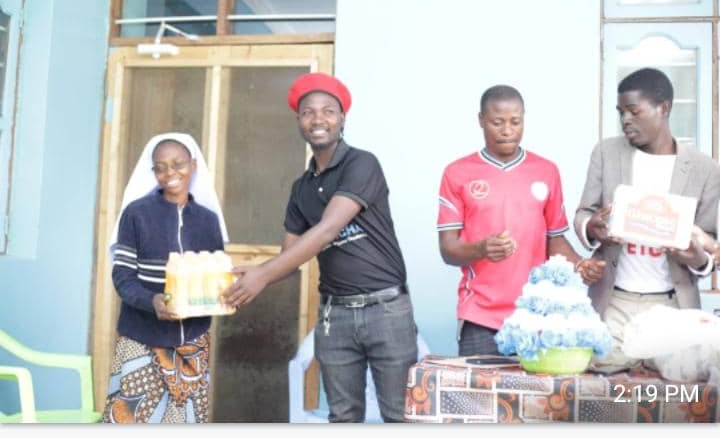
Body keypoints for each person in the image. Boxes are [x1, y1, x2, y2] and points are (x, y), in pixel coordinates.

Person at [223, 72, 418, 423]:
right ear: (299, 121)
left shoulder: (362, 163)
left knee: (400, 417)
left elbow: (328, 230)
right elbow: (291, 255)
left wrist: (263, 275)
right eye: (308, 112)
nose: (318, 119)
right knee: (342, 418)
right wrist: (250, 276)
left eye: (328, 111)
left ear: (342, 119)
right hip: (334, 316)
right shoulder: (301, 188)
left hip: (386, 309)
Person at [437, 85, 602, 356]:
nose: (507, 130)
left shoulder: (546, 171)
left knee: (536, 387)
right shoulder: (457, 173)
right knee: (479, 386)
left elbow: (554, 239)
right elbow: (448, 250)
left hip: (535, 315)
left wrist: (580, 264)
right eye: (497, 122)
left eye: (515, 122)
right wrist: (481, 249)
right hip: (480, 316)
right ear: (481, 120)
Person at [574, 68, 720, 369]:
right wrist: (592, 227)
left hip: (671, 302)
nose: (625, 120)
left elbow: (709, 244)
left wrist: (696, 257)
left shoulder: (704, 169)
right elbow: (584, 213)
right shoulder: (606, 153)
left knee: (674, 388)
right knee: (603, 384)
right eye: (621, 113)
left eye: (634, 111)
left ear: (663, 108)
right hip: (614, 300)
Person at [103, 132, 228, 424]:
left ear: (193, 165)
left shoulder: (208, 221)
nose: (170, 173)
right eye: (160, 167)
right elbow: (122, 276)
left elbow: (213, 277)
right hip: (140, 337)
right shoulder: (137, 214)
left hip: (193, 342)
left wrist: (226, 291)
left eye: (178, 164)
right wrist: (152, 301)